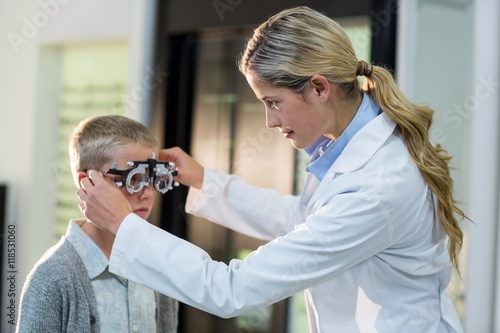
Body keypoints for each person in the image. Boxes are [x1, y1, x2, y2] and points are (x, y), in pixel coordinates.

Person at [77, 6, 467, 333]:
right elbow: (303, 219)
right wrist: (205, 181)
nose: (268, 120)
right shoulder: (346, 146)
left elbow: (233, 290)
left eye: (273, 102)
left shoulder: (377, 186)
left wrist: (125, 227)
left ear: (318, 88)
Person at [17, 115, 179, 332]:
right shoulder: (52, 278)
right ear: (87, 182)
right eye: (133, 179)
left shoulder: (158, 269)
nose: (148, 193)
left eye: (153, 177)